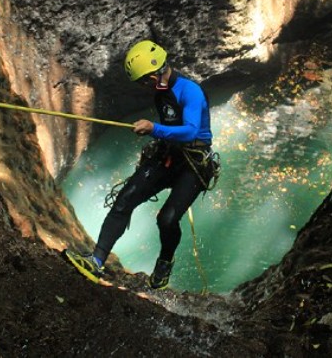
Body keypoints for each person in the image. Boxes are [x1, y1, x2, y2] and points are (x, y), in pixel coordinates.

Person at [64, 39, 217, 289]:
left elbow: (190, 131)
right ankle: (96, 261)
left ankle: (165, 262)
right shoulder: (161, 91)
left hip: (193, 165)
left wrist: (153, 128)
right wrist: (156, 134)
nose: (144, 86)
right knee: (124, 200)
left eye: (145, 81)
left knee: (167, 219)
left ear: (155, 74)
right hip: (168, 156)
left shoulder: (190, 91)